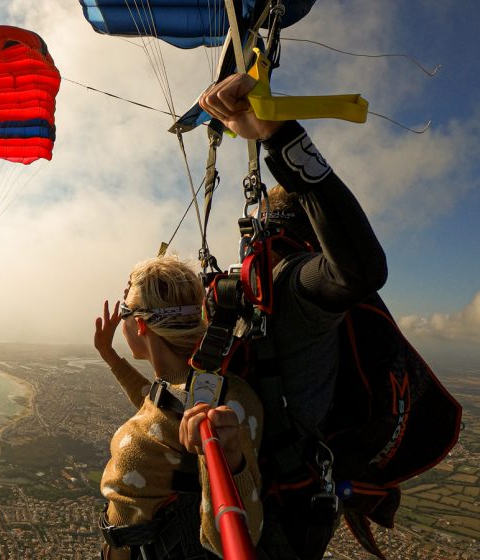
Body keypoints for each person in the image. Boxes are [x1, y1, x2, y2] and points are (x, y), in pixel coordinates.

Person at [180, 73, 388, 560]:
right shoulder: (252, 288)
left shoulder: (292, 285)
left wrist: (280, 136)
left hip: (281, 498)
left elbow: (360, 269)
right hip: (276, 487)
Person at [94, 255, 265, 560]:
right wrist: (109, 356)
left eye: (124, 312)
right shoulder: (205, 388)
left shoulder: (212, 409)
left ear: (142, 324)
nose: (121, 322)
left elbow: (240, 534)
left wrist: (231, 459)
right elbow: (161, 407)